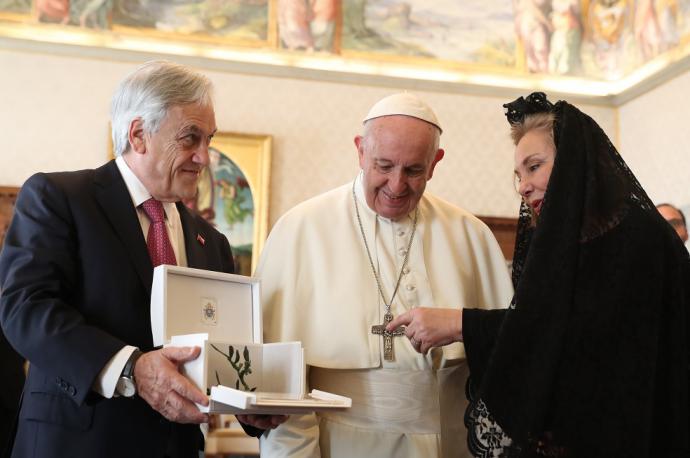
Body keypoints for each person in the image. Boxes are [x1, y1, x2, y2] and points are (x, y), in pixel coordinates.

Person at [0, 60, 283, 458]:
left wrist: (250, 406)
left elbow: (221, 351)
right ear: (139, 134)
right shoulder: (59, 198)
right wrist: (132, 367)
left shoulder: (212, 243)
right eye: (191, 138)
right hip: (74, 443)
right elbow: (24, 310)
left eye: (209, 140)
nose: (204, 157)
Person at [389, 92, 690, 456]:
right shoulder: (572, 241)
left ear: (575, 163)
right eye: (518, 174)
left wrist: (460, 324)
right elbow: (549, 328)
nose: (523, 186)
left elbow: (589, 338)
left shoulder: (638, 235)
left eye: (534, 166)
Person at [256, 92, 514, 457]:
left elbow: (504, 367)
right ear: (360, 150)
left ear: (435, 162)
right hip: (341, 445)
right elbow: (280, 385)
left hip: (449, 445)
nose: (396, 185)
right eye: (383, 166)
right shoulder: (302, 228)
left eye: (413, 170)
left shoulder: (470, 236)